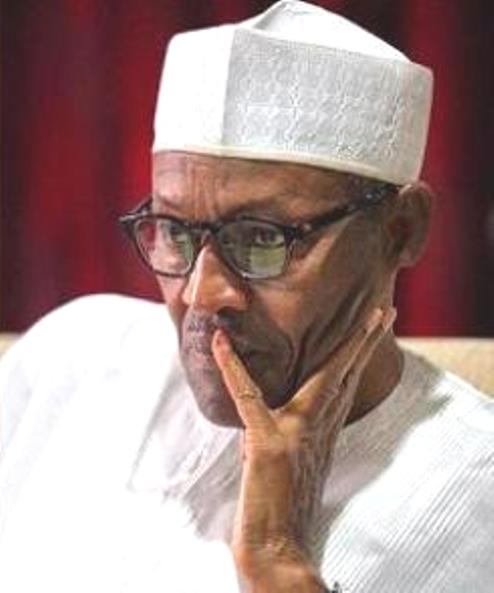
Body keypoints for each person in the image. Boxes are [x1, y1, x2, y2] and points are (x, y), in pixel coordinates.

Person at [1, 2, 493, 592]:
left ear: (400, 231)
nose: (201, 293)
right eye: (176, 233)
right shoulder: (78, 356)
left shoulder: (476, 492)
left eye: (262, 239)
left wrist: (277, 561)